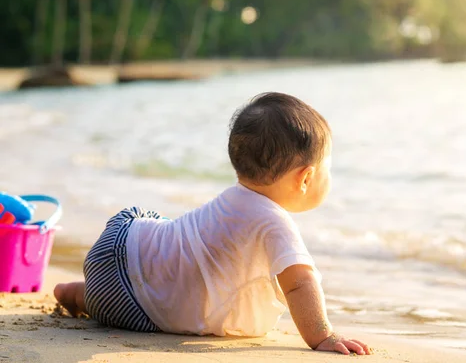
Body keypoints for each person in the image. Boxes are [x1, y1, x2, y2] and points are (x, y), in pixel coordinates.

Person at [54, 92, 371, 356]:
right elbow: (300, 284)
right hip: (127, 307)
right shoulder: (276, 224)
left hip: (124, 242)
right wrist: (322, 336)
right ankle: (79, 294)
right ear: (306, 178)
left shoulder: (231, 200)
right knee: (140, 286)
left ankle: (78, 292)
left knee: (172, 238)